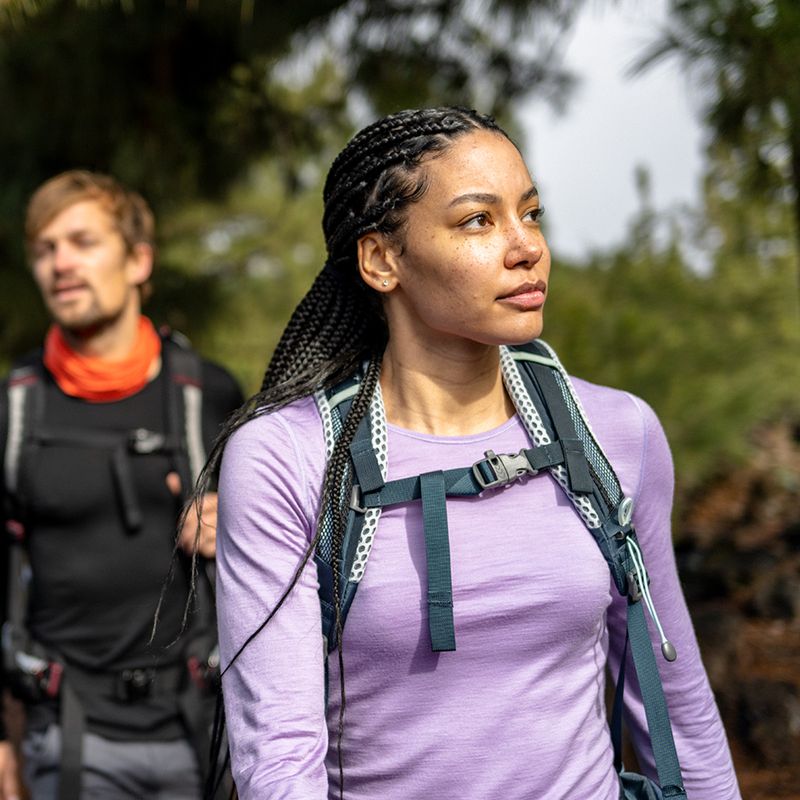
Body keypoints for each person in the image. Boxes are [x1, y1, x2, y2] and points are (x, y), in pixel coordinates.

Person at [211, 107, 741, 799]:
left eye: (531, 213)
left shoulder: (614, 432)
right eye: (477, 221)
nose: (526, 247)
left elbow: (676, 702)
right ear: (381, 259)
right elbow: (278, 758)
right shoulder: (289, 457)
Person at [0, 170, 243, 800]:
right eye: (45, 249)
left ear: (139, 260)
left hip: (204, 723)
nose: (60, 264)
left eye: (82, 242)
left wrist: (240, 526)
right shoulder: (16, 409)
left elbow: (299, 546)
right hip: (69, 732)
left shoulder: (207, 393)